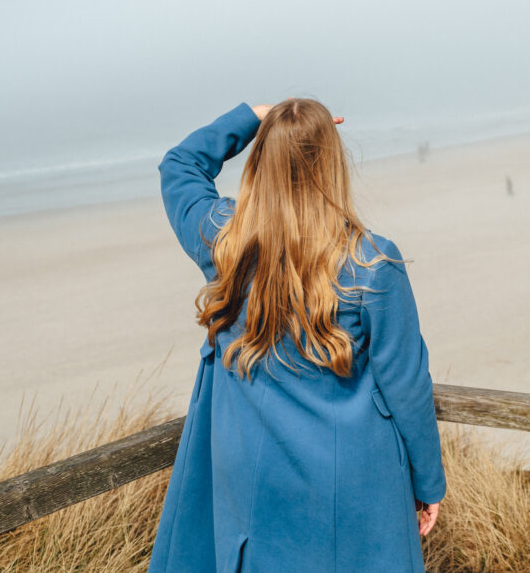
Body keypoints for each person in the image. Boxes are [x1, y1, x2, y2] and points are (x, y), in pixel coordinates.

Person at [148, 99, 446, 572]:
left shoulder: (224, 241)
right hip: (351, 480)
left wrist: (251, 117)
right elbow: (407, 385)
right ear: (332, 165)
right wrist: (429, 484)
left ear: (261, 161)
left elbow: (181, 164)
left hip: (252, 475)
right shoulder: (372, 262)